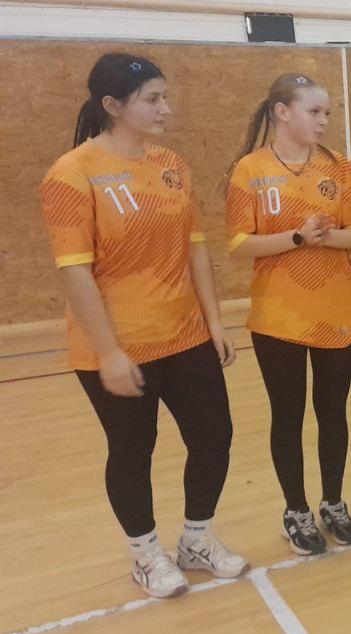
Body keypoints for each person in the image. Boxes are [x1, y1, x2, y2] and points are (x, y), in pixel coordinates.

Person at [41, 53, 248, 598]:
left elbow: (195, 249)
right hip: (117, 343)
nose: (165, 109)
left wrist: (214, 322)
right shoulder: (72, 174)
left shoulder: (171, 164)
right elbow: (75, 272)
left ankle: (196, 540)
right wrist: (109, 352)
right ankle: (147, 554)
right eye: (153, 99)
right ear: (112, 105)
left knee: (214, 436)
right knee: (134, 449)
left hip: (185, 333)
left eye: (165, 97)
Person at [225, 73, 351, 555]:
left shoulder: (338, 166)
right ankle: (296, 510)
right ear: (282, 112)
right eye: (314, 111)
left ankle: (333, 502)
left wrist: (328, 237)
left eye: (327, 112)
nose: (324, 121)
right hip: (279, 317)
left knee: (333, 412)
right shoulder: (250, 170)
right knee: (288, 416)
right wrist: (296, 237)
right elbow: (239, 244)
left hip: (337, 309)